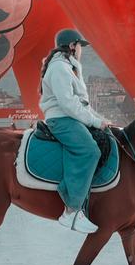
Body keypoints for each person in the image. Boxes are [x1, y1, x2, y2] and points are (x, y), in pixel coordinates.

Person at [40, 28, 109, 234]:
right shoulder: (60, 68)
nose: (82, 51)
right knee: (90, 151)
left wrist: (100, 120)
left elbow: (83, 104)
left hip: (69, 117)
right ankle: (72, 210)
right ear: (72, 46)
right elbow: (68, 104)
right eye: (80, 46)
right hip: (62, 119)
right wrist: (95, 123)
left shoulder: (69, 67)